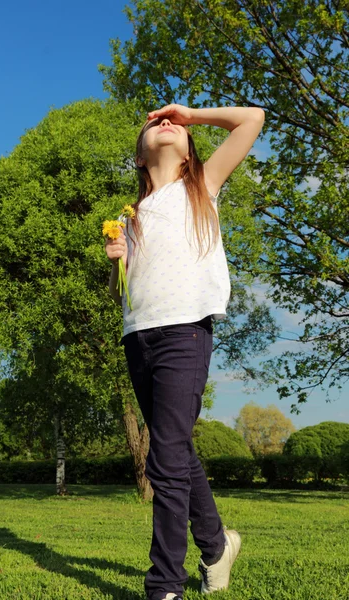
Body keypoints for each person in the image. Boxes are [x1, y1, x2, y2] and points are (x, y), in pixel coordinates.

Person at [104, 103, 265, 600]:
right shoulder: (130, 218)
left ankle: (164, 586)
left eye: (171, 125)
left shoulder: (202, 187)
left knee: (165, 456)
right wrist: (117, 263)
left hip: (184, 333)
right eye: (154, 124)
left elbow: (252, 119)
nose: (164, 125)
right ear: (138, 155)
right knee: (176, 450)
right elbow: (122, 291)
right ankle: (216, 547)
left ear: (191, 148)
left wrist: (191, 114)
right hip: (139, 335)